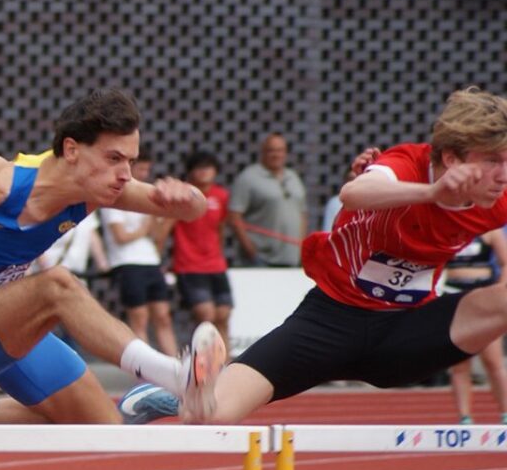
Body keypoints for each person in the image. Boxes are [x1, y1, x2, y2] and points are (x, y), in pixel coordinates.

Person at [129, 89, 507, 425]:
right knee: (209, 415)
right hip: (331, 322)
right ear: (452, 158)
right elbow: (355, 193)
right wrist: (431, 194)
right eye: (492, 160)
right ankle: (173, 397)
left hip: (407, 333)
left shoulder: (499, 197)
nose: (502, 174)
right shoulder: (407, 162)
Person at [0, 90, 220, 427]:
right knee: (57, 285)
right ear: (72, 149)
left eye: (130, 161)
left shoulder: (98, 190)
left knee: (103, 426)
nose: (125, 174)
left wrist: (186, 198)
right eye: (114, 159)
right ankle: (175, 375)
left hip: (14, 330)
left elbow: (192, 208)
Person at [99, 151, 177, 358]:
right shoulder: (114, 196)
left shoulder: (148, 198)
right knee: (139, 317)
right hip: (127, 263)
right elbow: (120, 236)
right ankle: (146, 370)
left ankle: (176, 366)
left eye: (147, 170)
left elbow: (158, 237)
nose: (145, 174)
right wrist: (145, 226)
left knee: (163, 316)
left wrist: (169, 215)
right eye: (141, 168)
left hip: (150, 261)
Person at [167, 152, 234, 349]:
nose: (204, 171)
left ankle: (226, 366)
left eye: (209, 167)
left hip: (215, 264)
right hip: (189, 264)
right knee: (206, 315)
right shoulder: (183, 195)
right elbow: (166, 228)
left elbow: (221, 228)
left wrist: (218, 255)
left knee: (223, 314)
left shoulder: (222, 196)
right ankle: (199, 363)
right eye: (199, 167)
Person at [445, 231, 507, 425]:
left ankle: (505, 412)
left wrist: (500, 289)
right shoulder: (447, 230)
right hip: (453, 297)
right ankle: (464, 417)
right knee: (459, 364)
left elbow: (505, 262)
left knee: (493, 361)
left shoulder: (490, 231)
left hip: (482, 300)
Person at [230, 132, 306, 267]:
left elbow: (302, 213)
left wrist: (301, 247)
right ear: (263, 152)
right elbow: (234, 216)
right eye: (271, 150)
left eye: (280, 150)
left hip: (292, 258)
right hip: (261, 259)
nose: (276, 155)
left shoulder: (293, 177)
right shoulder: (248, 178)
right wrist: (250, 250)